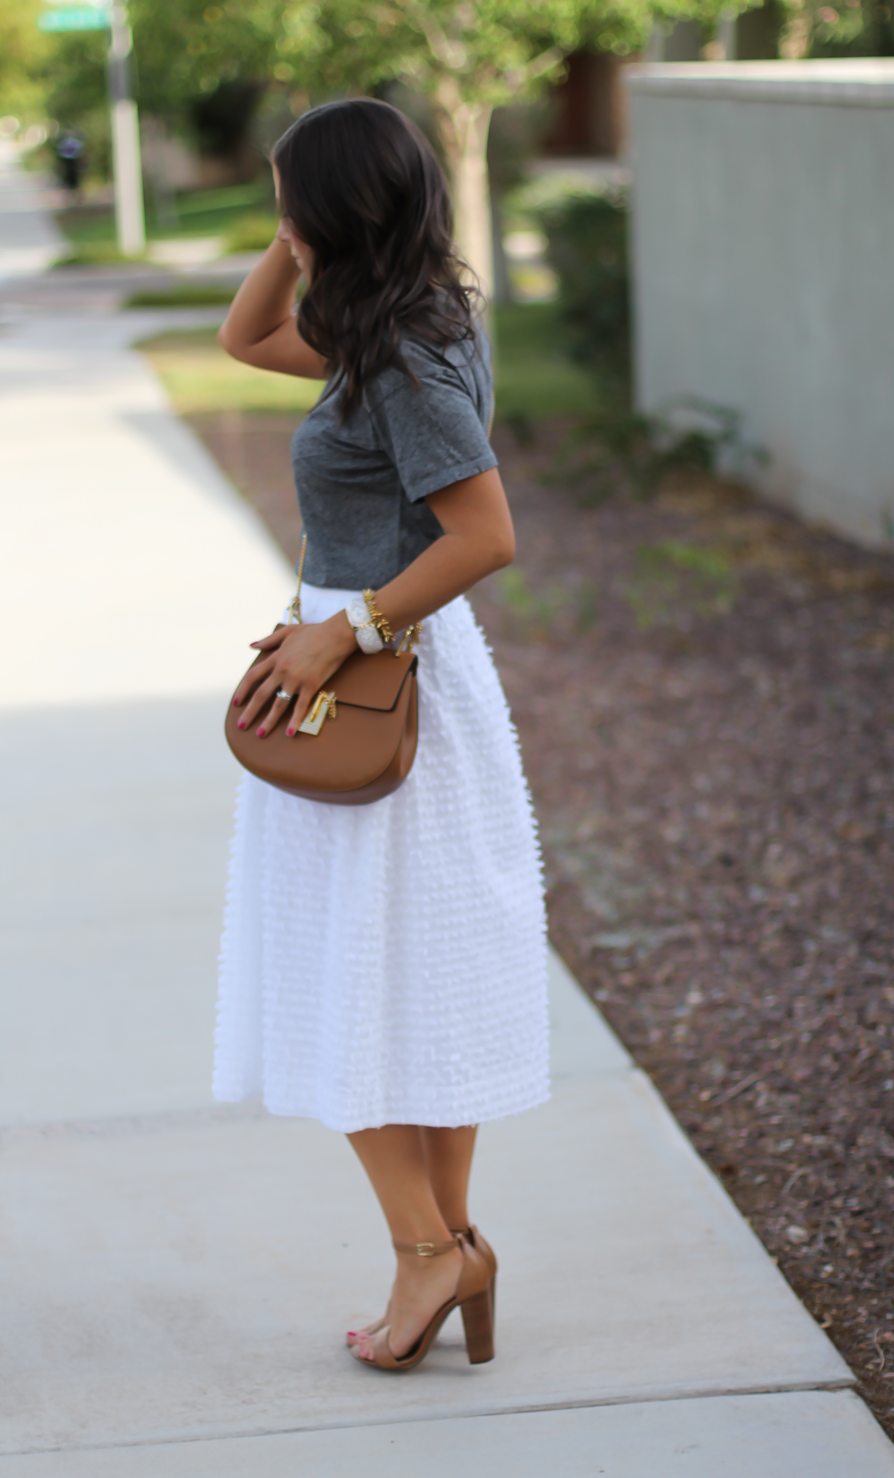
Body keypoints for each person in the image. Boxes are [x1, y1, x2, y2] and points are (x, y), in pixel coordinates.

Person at [213, 98, 549, 1373]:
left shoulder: (401, 353)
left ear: (336, 215)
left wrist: (337, 628)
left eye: (289, 199)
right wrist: (296, 231)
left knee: (339, 981)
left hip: (372, 690)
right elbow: (244, 338)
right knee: (417, 984)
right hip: (395, 682)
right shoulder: (396, 324)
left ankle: (429, 1253)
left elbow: (486, 534)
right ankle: (451, 1239)